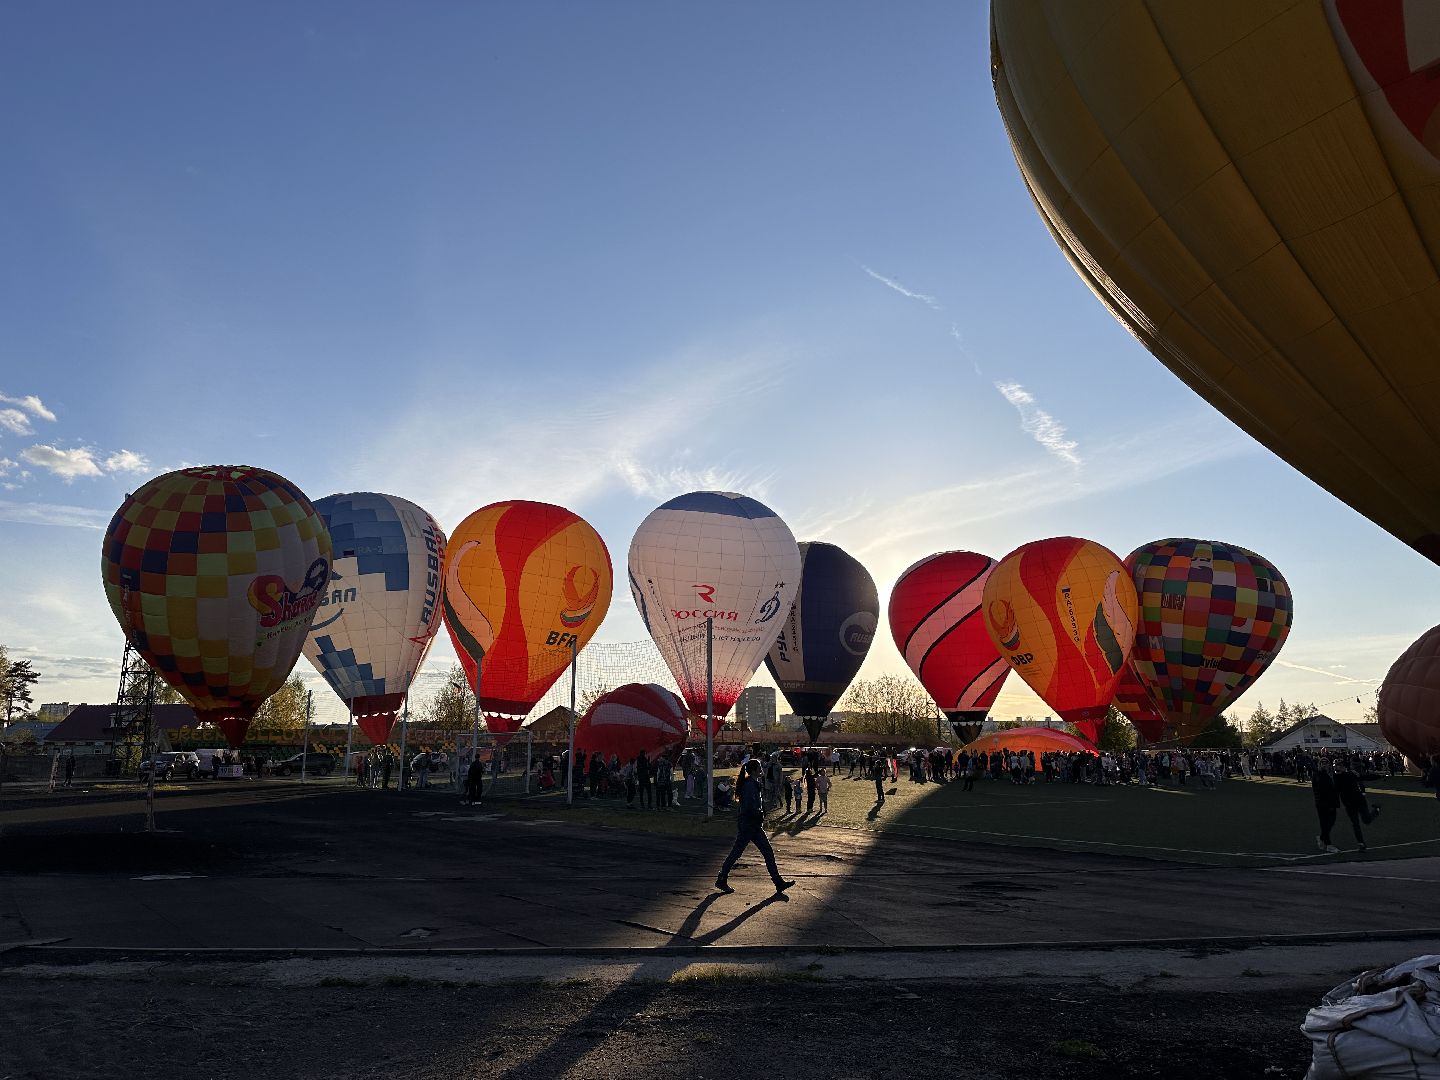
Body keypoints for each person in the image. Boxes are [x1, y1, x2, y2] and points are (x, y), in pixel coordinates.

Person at [715, 760, 795, 897]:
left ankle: (778, 882)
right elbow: (750, 806)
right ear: (753, 770)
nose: (761, 769)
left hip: (752, 824)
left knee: (765, 852)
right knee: (739, 852)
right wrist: (760, 814)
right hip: (749, 825)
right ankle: (722, 878)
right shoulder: (750, 786)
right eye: (759, 767)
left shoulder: (753, 784)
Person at [1335, 758, 1381, 851]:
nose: (1338, 768)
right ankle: (1361, 843)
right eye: (1336, 766)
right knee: (1355, 824)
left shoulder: (1351, 774)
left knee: (1366, 820)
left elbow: (1363, 777)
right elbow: (1335, 791)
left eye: (1340, 766)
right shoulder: (1335, 778)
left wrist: (1377, 776)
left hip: (1359, 800)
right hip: (1349, 804)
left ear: (1344, 767)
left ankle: (1376, 810)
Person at [1312, 761, 1341, 853]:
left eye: (1326, 763)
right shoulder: (1319, 774)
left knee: (1331, 821)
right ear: (1320, 765)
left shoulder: (1331, 774)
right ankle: (1328, 844)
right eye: (1322, 763)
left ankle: (1321, 838)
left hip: (1331, 802)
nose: (1325, 765)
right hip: (1323, 803)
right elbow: (1322, 789)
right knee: (1325, 823)